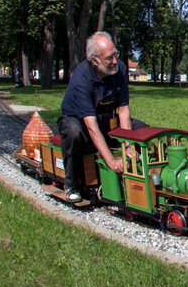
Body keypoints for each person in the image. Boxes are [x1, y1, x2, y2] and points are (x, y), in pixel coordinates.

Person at [58, 32, 148, 202]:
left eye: (115, 54)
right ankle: (71, 185)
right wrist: (112, 162)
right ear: (94, 61)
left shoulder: (120, 69)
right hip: (79, 121)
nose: (115, 61)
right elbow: (91, 126)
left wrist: (128, 145)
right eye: (109, 58)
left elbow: (123, 110)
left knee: (143, 130)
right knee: (73, 132)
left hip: (107, 119)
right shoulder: (81, 78)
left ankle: (144, 176)